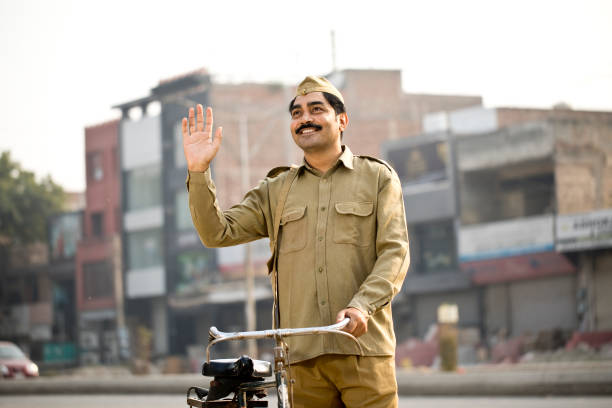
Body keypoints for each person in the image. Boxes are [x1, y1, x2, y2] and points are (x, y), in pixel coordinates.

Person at [183, 76, 409, 408]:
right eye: (297, 113)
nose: (304, 119)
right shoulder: (276, 189)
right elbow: (217, 232)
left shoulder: (377, 178)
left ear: (341, 120)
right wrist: (199, 170)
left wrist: (362, 306)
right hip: (300, 361)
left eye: (316, 109)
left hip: (363, 350)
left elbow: (395, 253)